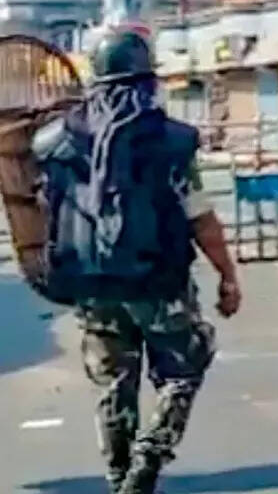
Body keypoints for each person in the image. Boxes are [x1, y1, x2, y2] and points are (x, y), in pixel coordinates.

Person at [33, 30, 241, 494]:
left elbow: (39, 213)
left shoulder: (57, 143)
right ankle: (149, 455)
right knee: (184, 367)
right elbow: (200, 216)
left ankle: (118, 475)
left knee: (113, 381)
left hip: (92, 285)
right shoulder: (169, 141)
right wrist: (227, 276)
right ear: (148, 79)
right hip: (159, 281)